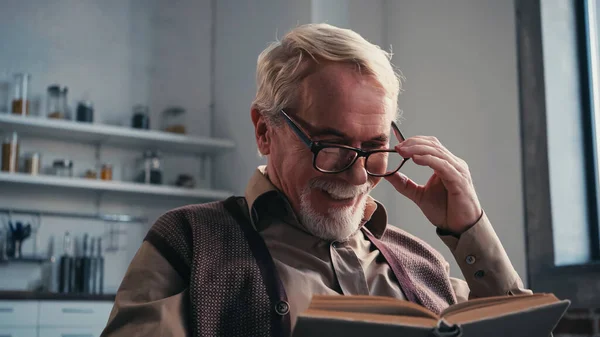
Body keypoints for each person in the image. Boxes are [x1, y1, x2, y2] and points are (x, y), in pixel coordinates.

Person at [101, 23, 530, 337]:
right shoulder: (189, 241)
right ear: (264, 131)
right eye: (331, 144)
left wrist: (469, 230)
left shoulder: (423, 262)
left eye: (375, 146)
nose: (358, 172)